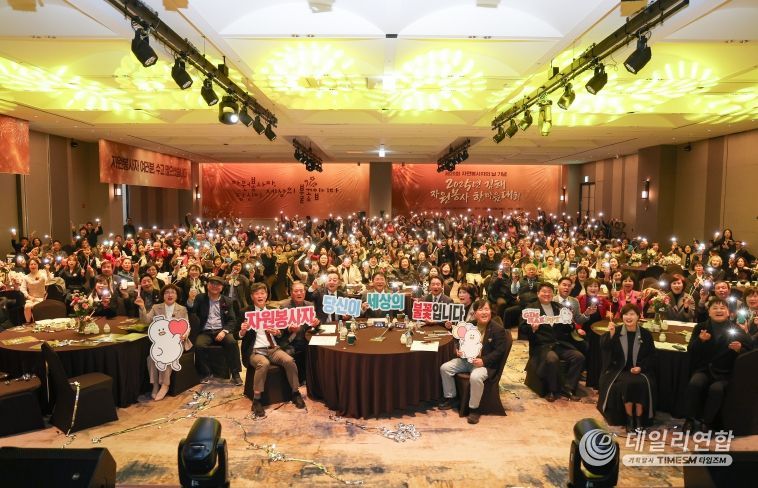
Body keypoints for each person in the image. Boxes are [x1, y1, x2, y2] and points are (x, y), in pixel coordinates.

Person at [683, 298, 753, 433]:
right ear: (709, 312)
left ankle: (707, 421)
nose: (719, 310)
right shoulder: (700, 327)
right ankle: (689, 419)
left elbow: (750, 351)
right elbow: (690, 350)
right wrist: (700, 340)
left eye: (722, 308)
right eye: (715, 308)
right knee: (694, 383)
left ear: (729, 313)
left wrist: (740, 349)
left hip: (725, 372)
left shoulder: (736, 329)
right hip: (704, 369)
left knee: (716, 390)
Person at [240, 283, 306, 416]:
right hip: (255, 350)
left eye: (262, 293)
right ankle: (257, 400)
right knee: (263, 363)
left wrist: (277, 332)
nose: (260, 296)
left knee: (289, 361)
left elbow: (282, 332)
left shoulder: (273, 311)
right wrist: (242, 331)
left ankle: (295, 392)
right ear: (252, 296)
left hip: (273, 348)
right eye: (257, 294)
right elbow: (237, 334)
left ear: (266, 295)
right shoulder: (245, 312)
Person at [438, 299, 508, 424]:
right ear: (474, 313)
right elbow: (457, 339)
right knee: (445, 368)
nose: (484, 312)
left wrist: (484, 360)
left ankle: (474, 409)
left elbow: (499, 352)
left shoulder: (498, 330)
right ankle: (451, 397)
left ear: (491, 312)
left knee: (475, 377)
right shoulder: (469, 325)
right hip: (467, 360)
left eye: (486, 309)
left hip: (484, 364)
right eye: (480, 310)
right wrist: (458, 349)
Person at [520, 282, 585, 402]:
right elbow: (522, 329)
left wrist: (570, 322)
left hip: (559, 344)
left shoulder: (558, 307)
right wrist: (532, 329)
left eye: (549, 292)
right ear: (538, 293)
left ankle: (568, 388)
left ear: (552, 294)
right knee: (552, 359)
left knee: (578, 357)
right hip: (541, 346)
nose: (547, 294)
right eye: (544, 292)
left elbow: (567, 329)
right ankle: (552, 390)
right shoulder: (530, 308)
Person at [597, 304, 657, 432]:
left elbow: (652, 356)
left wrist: (641, 368)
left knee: (640, 383)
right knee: (628, 383)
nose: (628, 317)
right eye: (626, 314)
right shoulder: (616, 331)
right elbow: (605, 348)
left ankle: (639, 418)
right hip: (620, 370)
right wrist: (611, 335)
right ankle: (630, 419)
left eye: (632, 314)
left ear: (638, 316)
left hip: (641, 370)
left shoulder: (645, 334)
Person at [136, 283, 190, 401]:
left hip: (176, 342)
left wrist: (184, 335)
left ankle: (165, 385)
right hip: (161, 343)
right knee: (150, 358)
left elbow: (187, 326)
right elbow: (146, 321)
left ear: (177, 295)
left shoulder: (182, 309)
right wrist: (142, 307)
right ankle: (155, 385)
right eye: (167, 292)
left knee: (167, 357)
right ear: (163, 295)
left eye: (173, 292)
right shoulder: (156, 307)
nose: (170, 295)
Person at [186, 275, 242, 386]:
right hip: (205, 331)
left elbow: (232, 320)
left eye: (218, 284)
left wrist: (224, 331)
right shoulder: (200, 298)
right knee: (199, 345)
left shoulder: (227, 301)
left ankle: (235, 374)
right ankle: (205, 373)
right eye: (212, 283)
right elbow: (192, 310)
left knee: (232, 342)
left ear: (222, 287)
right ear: (207, 285)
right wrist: (190, 300)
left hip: (221, 330)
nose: (214, 286)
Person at [21, 258, 51, 323]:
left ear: (38, 265)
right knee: (27, 306)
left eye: (35, 264)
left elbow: (50, 281)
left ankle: (35, 324)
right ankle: (28, 323)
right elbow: (22, 289)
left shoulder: (43, 275)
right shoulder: (26, 277)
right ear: (29, 266)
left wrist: (47, 270)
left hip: (41, 298)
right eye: (31, 264)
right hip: (31, 298)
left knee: (35, 307)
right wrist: (28, 296)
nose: (33, 266)